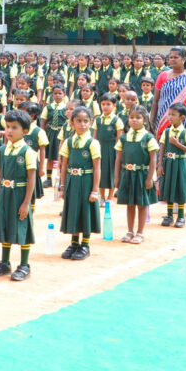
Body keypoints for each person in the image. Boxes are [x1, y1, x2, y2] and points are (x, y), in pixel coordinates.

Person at [0, 109, 37, 281]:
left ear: (24, 131)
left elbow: (31, 178)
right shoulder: (2, 150)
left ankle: (24, 264)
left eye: (14, 127)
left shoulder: (27, 151)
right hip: (4, 193)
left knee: (22, 227)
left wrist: (26, 203)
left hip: (20, 194)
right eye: (7, 127)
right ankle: (5, 262)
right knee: (5, 225)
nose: (9, 131)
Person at [58, 106, 101, 260]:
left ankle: (85, 244)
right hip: (72, 181)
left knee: (86, 212)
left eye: (86, 121)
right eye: (78, 121)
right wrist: (62, 186)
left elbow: (97, 167)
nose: (82, 124)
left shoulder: (92, 143)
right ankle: (74, 243)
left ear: (91, 123)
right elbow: (64, 165)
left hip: (86, 181)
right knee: (74, 210)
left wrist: (95, 190)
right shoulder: (69, 142)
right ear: (72, 123)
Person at [113, 105, 159, 244]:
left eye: (138, 118)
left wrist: (150, 178)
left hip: (142, 174)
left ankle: (140, 232)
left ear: (144, 120)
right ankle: (129, 231)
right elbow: (118, 159)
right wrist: (116, 177)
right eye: (131, 117)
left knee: (142, 204)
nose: (134, 120)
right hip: (127, 174)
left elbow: (153, 159)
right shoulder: (124, 138)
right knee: (130, 204)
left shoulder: (148, 138)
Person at [151, 46, 186, 139]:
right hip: (163, 120)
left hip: (184, 122)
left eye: (175, 57)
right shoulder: (163, 76)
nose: (172, 60)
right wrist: (151, 121)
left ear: (183, 59)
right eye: (170, 57)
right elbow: (155, 101)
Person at [158, 103, 186, 228]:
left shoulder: (185, 132)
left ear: (182, 117)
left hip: (180, 163)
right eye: (169, 114)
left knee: (180, 188)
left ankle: (180, 216)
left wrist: (178, 144)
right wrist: (160, 165)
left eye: (173, 115)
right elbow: (162, 148)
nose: (170, 117)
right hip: (168, 163)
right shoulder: (167, 132)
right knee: (168, 188)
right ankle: (169, 215)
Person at [95, 93, 124, 204]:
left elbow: (119, 138)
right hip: (100, 149)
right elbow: (95, 137)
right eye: (103, 104)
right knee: (101, 172)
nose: (105, 107)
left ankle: (110, 197)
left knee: (112, 172)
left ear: (114, 105)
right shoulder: (98, 120)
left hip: (112, 150)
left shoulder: (117, 120)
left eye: (108, 104)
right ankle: (102, 196)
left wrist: (119, 153)